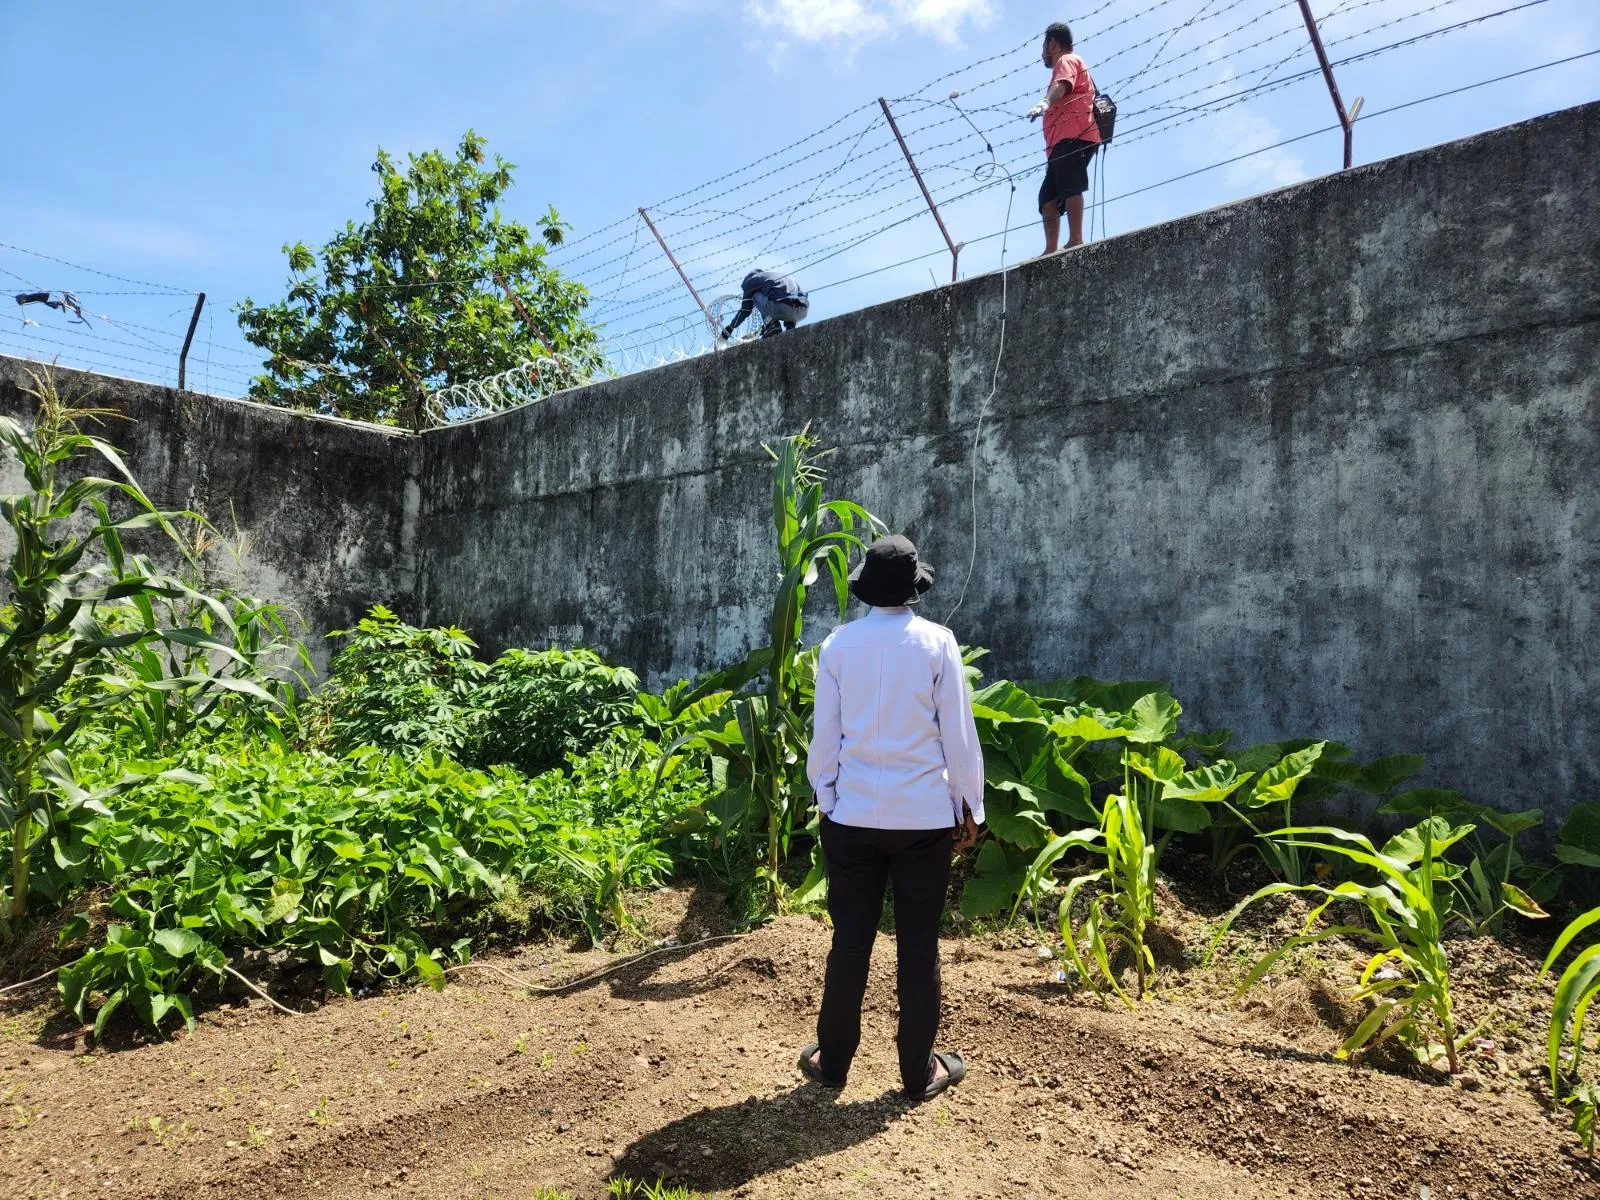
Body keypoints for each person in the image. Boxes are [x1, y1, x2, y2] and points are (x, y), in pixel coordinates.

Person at [798, 534, 984, 1102]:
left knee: (850, 938)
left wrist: (827, 797)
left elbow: (825, 737)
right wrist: (971, 806)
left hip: (851, 818)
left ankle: (833, 1060)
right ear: (913, 589)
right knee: (918, 945)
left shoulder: (837, 646)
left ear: (865, 590)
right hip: (923, 821)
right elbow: (957, 734)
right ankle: (916, 1072)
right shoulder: (937, 644)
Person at [1027, 21, 1102, 254]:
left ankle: (1076, 239)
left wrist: (1045, 102)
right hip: (1060, 142)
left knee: (1071, 185)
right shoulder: (1069, 62)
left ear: (1052, 43)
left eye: (1044, 46)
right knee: (1047, 198)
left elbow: (1062, 85)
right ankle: (1051, 249)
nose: (1042, 53)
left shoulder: (1066, 60)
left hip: (1072, 134)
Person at [722, 269, 808, 340]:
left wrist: (731, 327)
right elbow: (792, 297)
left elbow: (746, 309)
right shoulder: (777, 276)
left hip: (780, 306)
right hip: (802, 311)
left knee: (754, 296)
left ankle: (772, 325)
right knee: (785, 297)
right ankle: (790, 328)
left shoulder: (750, 281)